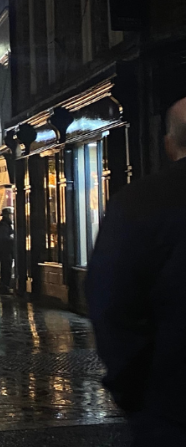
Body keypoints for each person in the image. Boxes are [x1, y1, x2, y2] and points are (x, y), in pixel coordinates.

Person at [86, 97, 186, 444]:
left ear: (169, 144)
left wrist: (131, 391)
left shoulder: (139, 201)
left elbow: (112, 303)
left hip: (171, 403)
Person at [0, 209, 14, 295]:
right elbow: (4, 238)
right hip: (5, 251)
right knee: (6, 268)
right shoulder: (5, 225)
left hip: (4, 250)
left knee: (5, 268)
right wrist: (12, 239)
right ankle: (5, 286)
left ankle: (4, 286)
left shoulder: (4, 224)